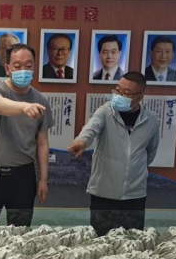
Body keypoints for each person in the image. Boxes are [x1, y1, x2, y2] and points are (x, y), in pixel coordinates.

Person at [0, 43, 54, 231]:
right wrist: (24, 107)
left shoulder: (41, 100)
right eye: (17, 66)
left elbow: (42, 143)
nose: (23, 70)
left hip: (23, 178)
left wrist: (43, 179)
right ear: (7, 68)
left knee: (20, 232)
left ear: (34, 67)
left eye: (28, 65)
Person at [68, 72, 159, 235]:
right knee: (101, 241)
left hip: (135, 195)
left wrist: (134, 168)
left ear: (139, 97)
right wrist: (81, 141)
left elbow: (150, 152)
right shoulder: (105, 112)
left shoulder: (151, 120)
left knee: (132, 241)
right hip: (104, 193)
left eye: (126, 93)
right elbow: (91, 128)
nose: (118, 96)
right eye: (117, 90)